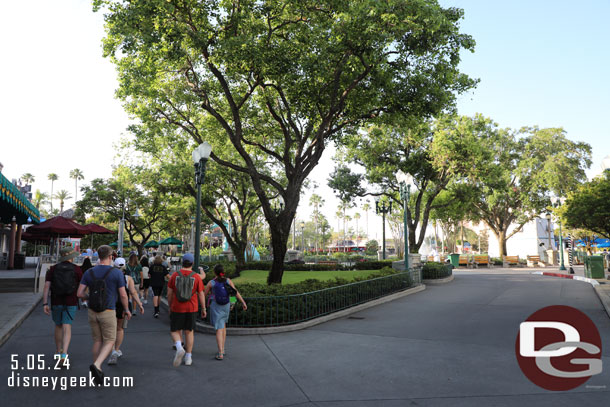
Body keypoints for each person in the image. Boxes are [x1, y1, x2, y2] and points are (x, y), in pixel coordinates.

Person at [77, 245, 131, 385]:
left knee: (97, 340)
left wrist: (89, 298)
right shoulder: (116, 273)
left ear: (99, 256)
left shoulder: (89, 272)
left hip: (92, 311)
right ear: (111, 256)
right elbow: (123, 295)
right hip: (108, 310)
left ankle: (97, 369)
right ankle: (97, 365)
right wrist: (126, 309)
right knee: (110, 340)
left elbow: (79, 293)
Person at [43, 247, 83, 368]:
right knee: (67, 326)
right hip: (71, 301)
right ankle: (64, 354)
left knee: (58, 325)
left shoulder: (53, 269)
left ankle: (58, 350)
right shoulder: (77, 269)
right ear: (71, 257)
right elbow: (82, 286)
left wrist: (45, 303)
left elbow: (46, 287)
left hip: (56, 300)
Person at [167, 253, 206, 366]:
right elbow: (201, 294)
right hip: (192, 308)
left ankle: (179, 347)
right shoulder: (196, 276)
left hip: (177, 307)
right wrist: (203, 308)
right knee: (189, 332)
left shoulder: (174, 275)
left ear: (182, 262)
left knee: (174, 330)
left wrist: (170, 306)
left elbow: (169, 294)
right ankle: (188, 357)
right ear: (192, 264)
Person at [204, 264, 247, 360]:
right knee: (223, 326)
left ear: (215, 272)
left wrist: (203, 306)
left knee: (219, 329)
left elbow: (204, 295)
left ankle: (220, 353)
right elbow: (235, 293)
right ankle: (222, 349)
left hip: (216, 306)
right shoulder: (228, 281)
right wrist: (243, 302)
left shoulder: (211, 283)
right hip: (226, 306)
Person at [108, 258, 144, 365]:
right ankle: (116, 349)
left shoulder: (109, 276)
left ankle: (111, 349)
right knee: (119, 328)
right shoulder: (128, 278)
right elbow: (133, 293)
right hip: (123, 306)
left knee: (110, 329)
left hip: (110, 304)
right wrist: (140, 304)